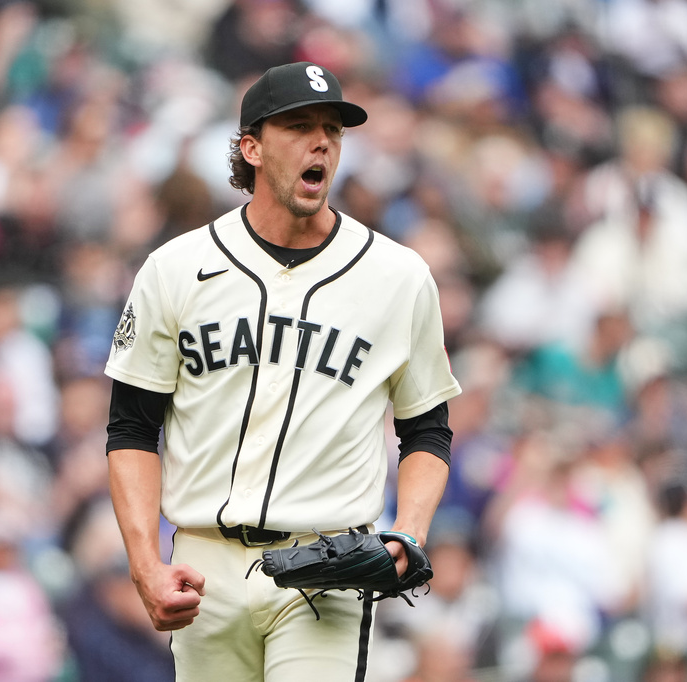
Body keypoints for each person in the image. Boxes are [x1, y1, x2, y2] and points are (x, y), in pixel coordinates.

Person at [104, 61, 462, 682]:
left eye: (333, 128)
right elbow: (131, 428)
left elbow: (427, 427)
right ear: (251, 147)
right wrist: (143, 563)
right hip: (203, 567)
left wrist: (409, 531)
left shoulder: (398, 277)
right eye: (299, 126)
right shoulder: (175, 268)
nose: (321, 141)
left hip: (329, 569)